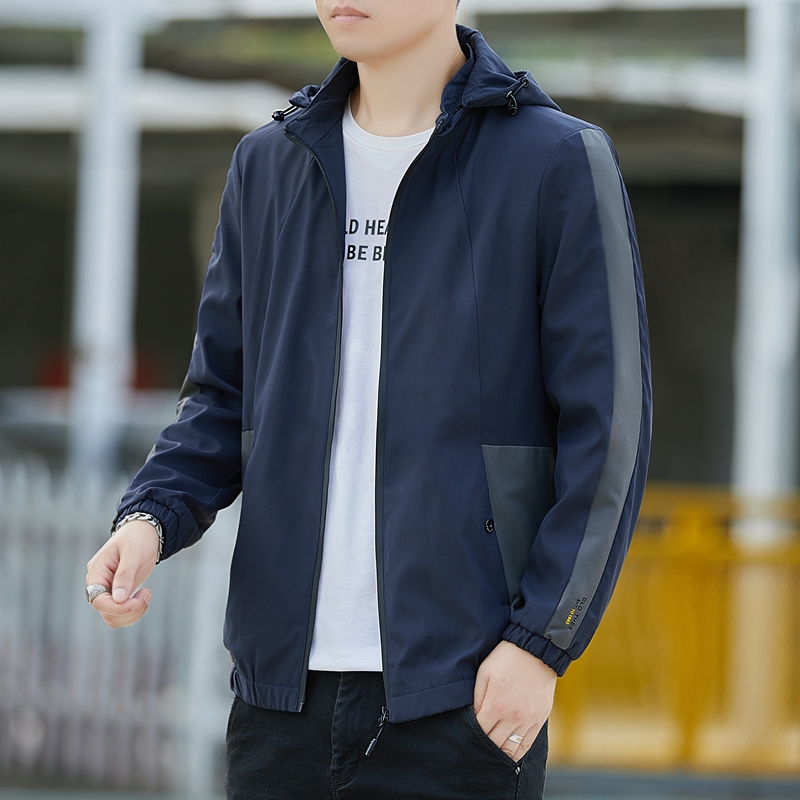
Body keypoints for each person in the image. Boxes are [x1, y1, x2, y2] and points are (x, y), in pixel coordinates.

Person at [85, 1, 652, 798]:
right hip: (278, 699)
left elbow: (611, 429)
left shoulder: (553, 161)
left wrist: (539, 645)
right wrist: (148, 520)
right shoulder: (269, 164)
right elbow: (222, 398)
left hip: (463, 695)